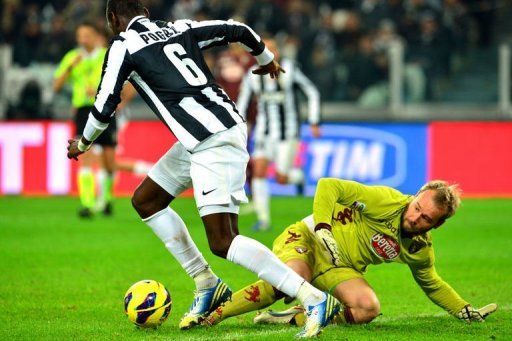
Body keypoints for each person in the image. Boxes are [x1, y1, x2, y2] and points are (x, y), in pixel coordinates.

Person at [66, 0, 339, 337]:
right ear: (146, 12)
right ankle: (206, 282)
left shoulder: (124, 45)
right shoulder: (181, 28)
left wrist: (83, 143)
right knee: (147, 201)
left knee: (224, 240)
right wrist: (267, 60)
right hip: (211, 132)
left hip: (212, 139)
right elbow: (239, 30)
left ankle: (312, 298)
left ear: (112, 19)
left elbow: (105, 102)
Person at [203, 178, 497, 327]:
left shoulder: (419, 250)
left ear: (438, 224)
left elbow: (432, 283)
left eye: (426, 219)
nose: (415, 218)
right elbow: (328, 186)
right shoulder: (386, 200)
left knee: (368, 308)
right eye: (417, 207)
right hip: (306, 238)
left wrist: (461, 309)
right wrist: (323, 228)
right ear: (415, 197)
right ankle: (212, 315)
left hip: (339, 267)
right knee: (294, 276)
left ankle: (293, 317)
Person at [237, 38, 321, 231]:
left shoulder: (290, 69)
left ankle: (297, 178)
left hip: (287, 133)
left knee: (281, 179)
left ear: (278, 52)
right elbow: (243, 102)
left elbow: (312, 91)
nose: (269, 52)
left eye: (272, 48)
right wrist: (239, 125)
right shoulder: (252, 75)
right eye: (265, 49)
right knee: (258, 171)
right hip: (263, 132)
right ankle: (264, 220)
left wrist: (314, 120)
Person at [54, 22, 117, 218]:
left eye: (87, 35)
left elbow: (122, 79)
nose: (83, 39)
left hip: (106, 107)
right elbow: (56, 86)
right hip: (82, 110)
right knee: (85, 154)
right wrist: (69, 69)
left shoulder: (108, 54)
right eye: (80, 36)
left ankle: (106, 200)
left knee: (108, 159)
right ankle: (87, 204)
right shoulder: (73, 57)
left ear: (97, 36)